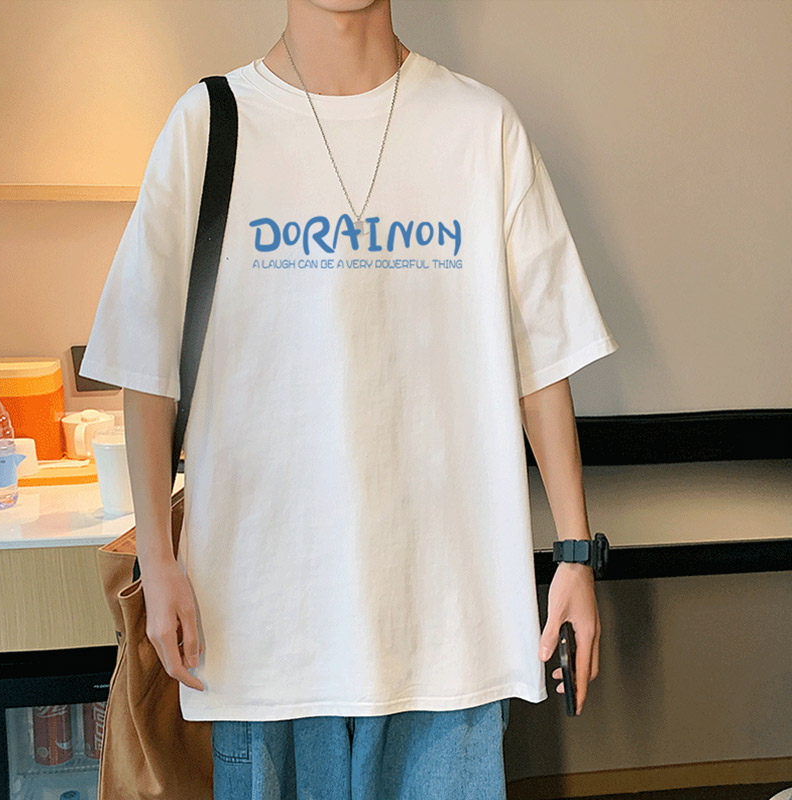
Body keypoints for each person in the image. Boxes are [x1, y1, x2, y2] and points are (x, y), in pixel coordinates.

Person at [79, 0, 619, 797]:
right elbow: (146, 364)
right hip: (261, 630)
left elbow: (543, 358)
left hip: (449, 633)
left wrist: (574, 555)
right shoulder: (210, 125)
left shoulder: (480, 128)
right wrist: (157, 563)